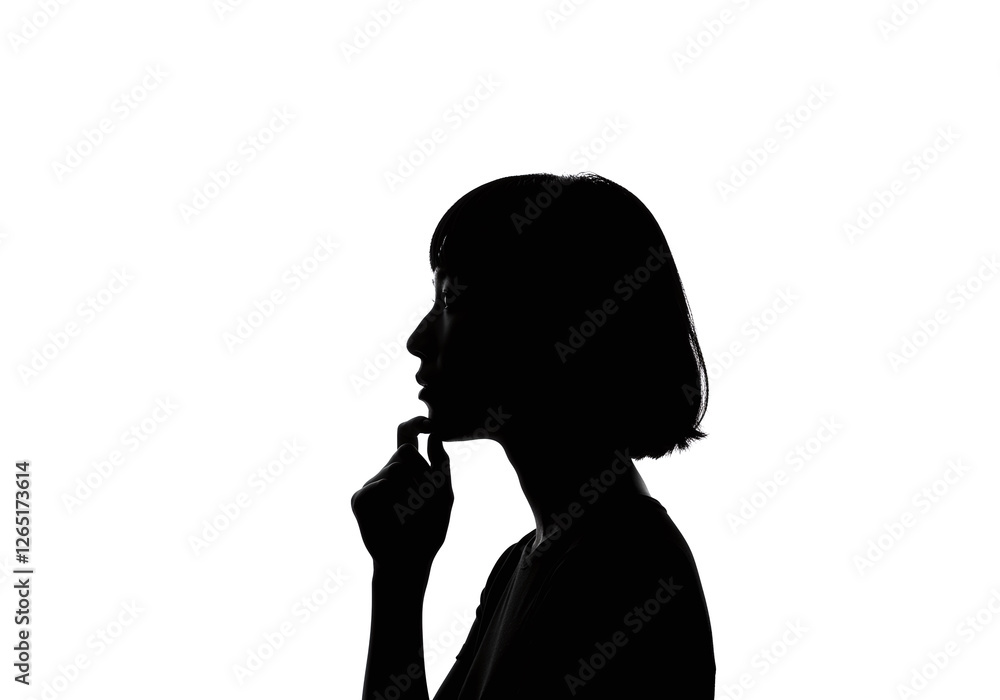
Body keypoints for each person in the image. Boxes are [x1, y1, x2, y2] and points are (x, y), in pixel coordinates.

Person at [351, 173, 715, 698]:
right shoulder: (519, 566)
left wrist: (397, 580)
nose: (417, 339)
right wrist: (397, 574)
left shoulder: (629, 571)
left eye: (450, 300)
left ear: (545, 319)